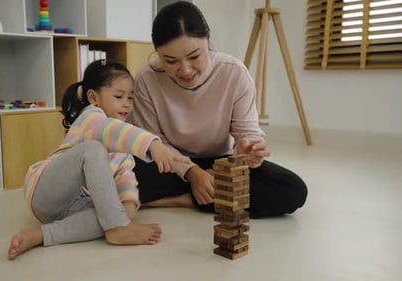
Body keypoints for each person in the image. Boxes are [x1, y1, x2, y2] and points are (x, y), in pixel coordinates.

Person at [132, 1, 308, 218]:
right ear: (157, 52)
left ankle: (185, 200)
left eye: (195, 56)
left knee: (291, 190)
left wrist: (248, 150)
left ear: (208, 37)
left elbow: (247, 133)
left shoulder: (234, 73)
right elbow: (152, 142)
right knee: (118, 175)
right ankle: (205, 196)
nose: (185, 70)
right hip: (172, 164)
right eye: (170, 61)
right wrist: (193, 173)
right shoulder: (146, 78)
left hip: (221, 163)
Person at [7, 59, 187, 260]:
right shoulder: (91, 117)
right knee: (93, 150)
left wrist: (127, 207)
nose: (127, 104)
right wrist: (153, 144)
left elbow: (125, 178)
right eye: (119, 96)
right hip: (44, 190)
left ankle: (41, 235)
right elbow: (113, 131)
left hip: (71, 208)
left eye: (130, 98)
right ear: (93, 97)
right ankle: (117, 227)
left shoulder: (123, 150)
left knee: (111, 212)